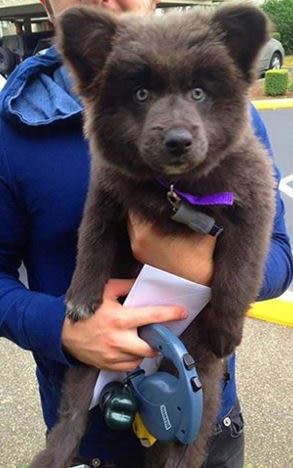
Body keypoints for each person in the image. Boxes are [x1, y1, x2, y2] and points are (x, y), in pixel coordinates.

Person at [0, 0, 292, 467]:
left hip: (201, 408)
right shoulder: (9, 132)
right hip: (92, 434)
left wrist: (211, 280)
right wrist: (60, 327)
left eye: (198, 93)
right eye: (141, 95)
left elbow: (279, 252)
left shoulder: (238, 127)